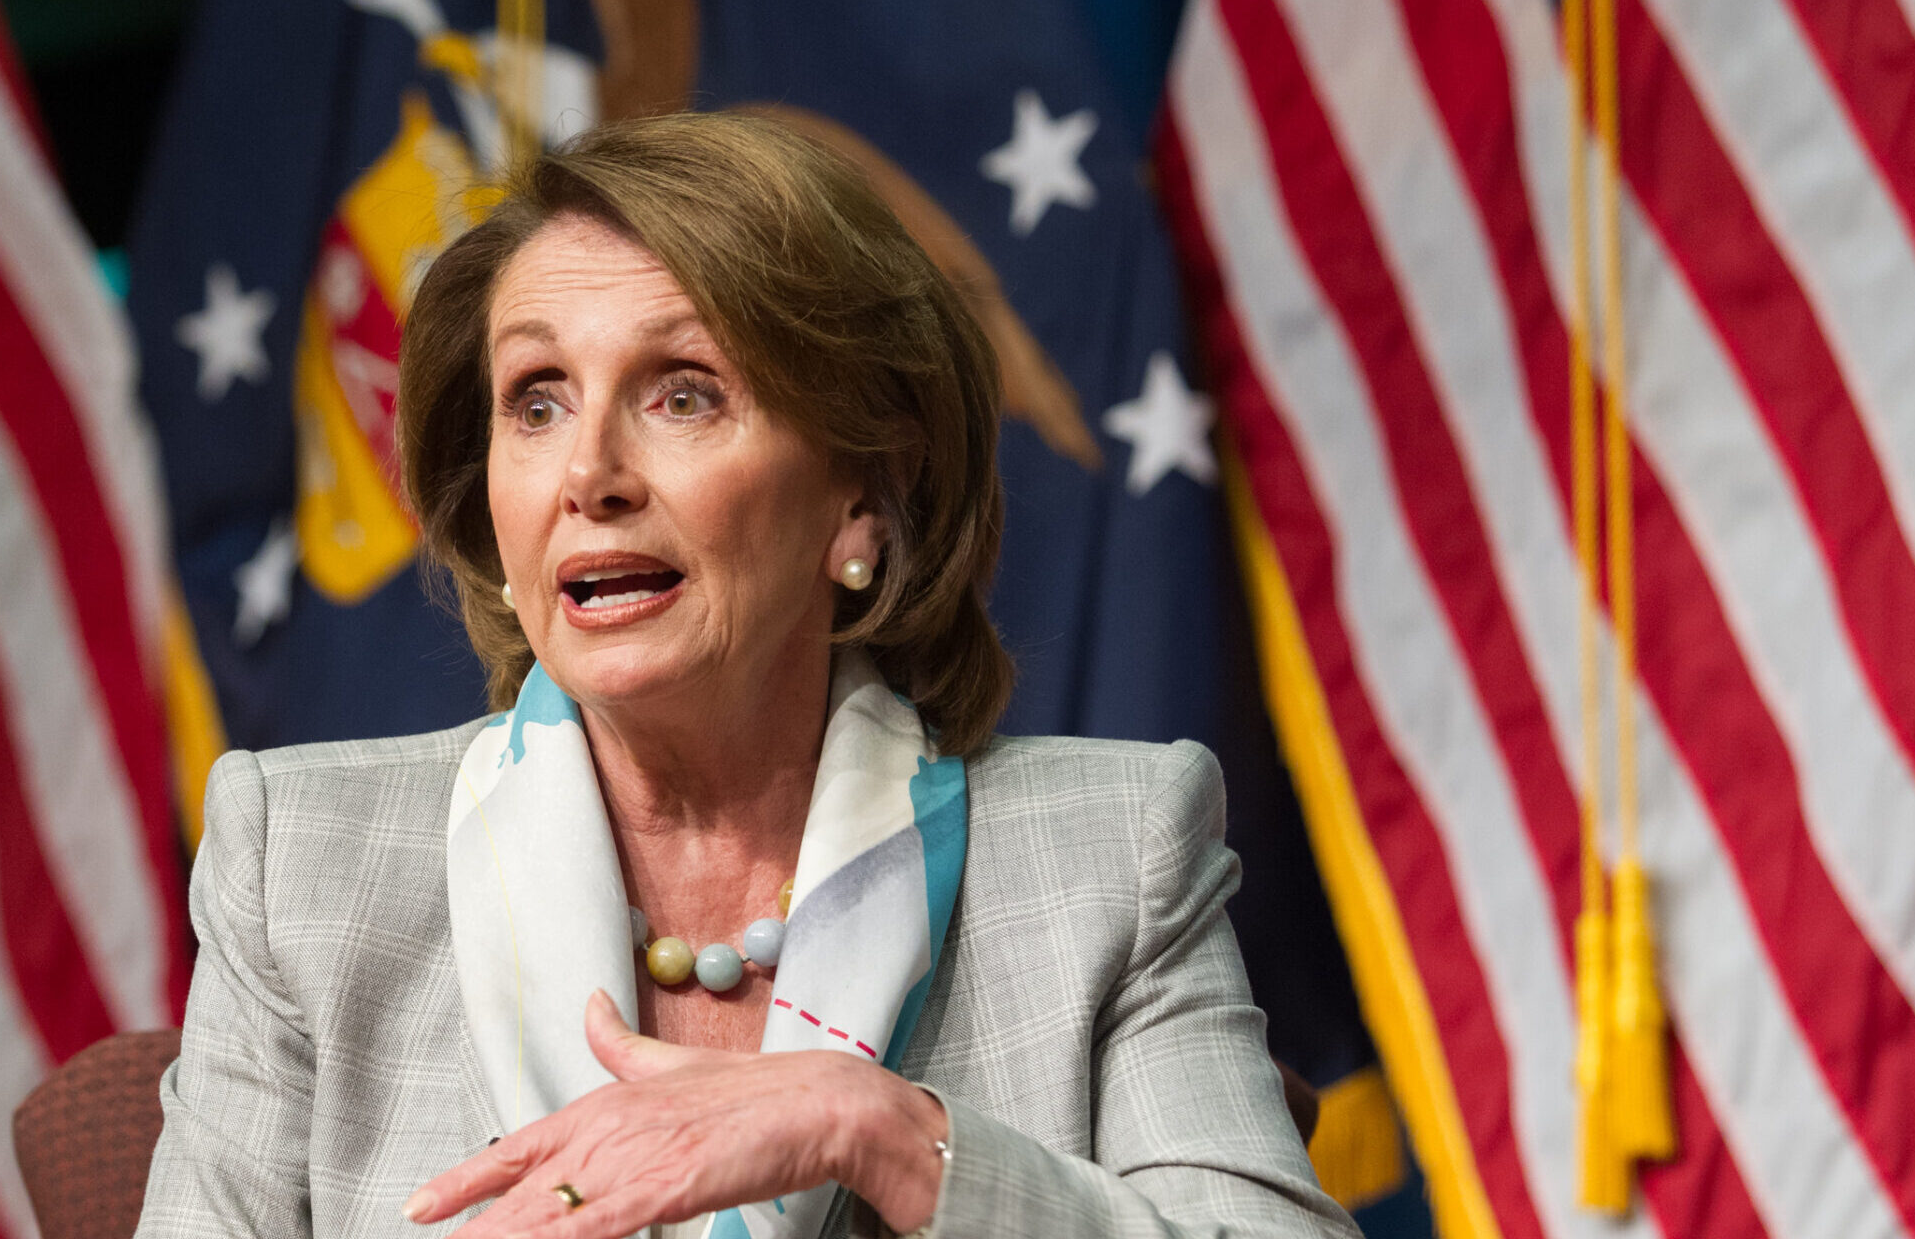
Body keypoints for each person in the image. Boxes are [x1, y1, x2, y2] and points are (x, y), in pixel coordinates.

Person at [134, 112, 1358, 1239]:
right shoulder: (299, 864)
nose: (589, 473)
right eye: (536, 401)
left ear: (862, 494)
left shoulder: (1108, 853)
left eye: (683, 393)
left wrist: (878, 1129)